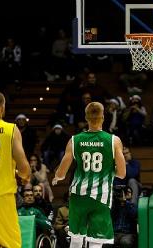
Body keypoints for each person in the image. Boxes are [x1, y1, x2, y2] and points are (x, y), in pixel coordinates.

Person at [52, 101, 126, 248]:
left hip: (79, 195)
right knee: (96, 242)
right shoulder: (114, 141)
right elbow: (122, 174)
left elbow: (61, 173)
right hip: (101, 196)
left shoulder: (74, 140)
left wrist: (57, 178)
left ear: (86, 118)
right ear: (103, 117)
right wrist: (109, 172)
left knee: (76, 239)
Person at [0, 91, 31, 248]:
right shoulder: (10, 130)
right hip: (0, 195)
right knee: (10, 244)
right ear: (2, 108)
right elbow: (24, 167)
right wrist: (24, 176)